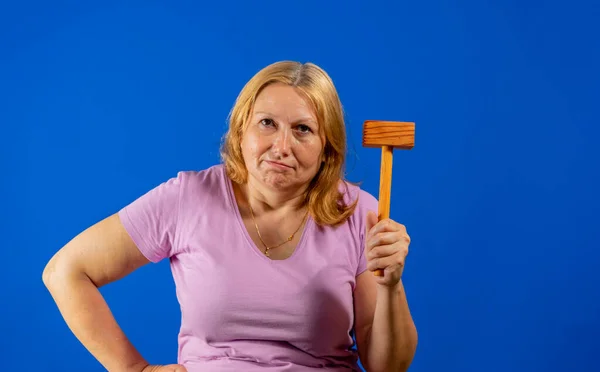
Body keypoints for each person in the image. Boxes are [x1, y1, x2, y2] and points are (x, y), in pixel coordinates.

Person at [42, 61, 418, 372]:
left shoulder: (361, 212)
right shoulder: (188, 198)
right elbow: (65, 271)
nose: (281, 147)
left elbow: (388, 367)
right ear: (240, 132)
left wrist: (392, 286)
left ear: (327, 148)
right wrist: (134, 369)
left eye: (303, 129)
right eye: (267, 123)